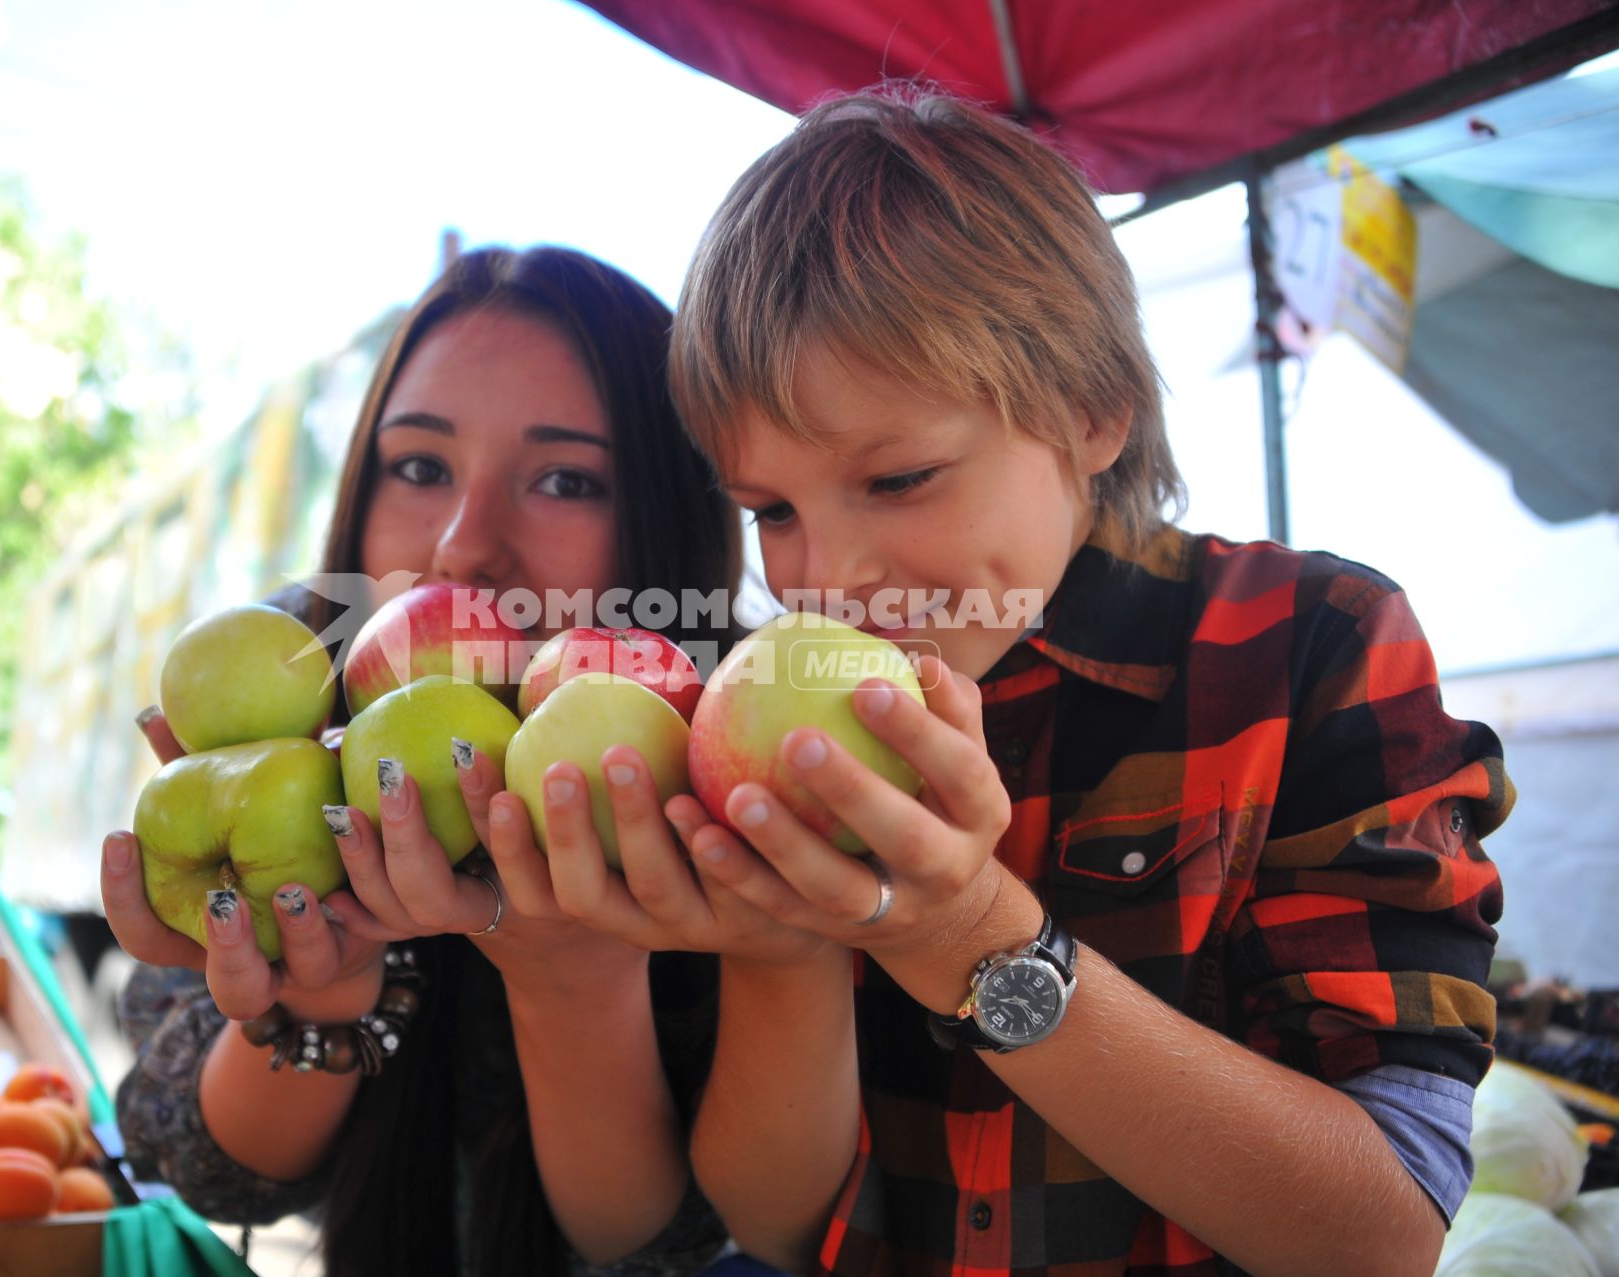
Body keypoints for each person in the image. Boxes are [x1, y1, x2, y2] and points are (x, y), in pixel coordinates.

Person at [518, 88, 1508, 1277]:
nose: (825, 579)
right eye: (770, 510)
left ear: (1094, 411)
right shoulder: (750, 714)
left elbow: (1382, 1227)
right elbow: (779, 1226)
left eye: (899, 478)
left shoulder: (1311, 647)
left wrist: (967, 934)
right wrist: (784, 953)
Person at [100, 245, 744, 1277]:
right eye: (420, 465)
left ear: (666, 518)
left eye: (567, 479)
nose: (461, 544)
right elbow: (213, 1172)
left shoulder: (727, 766)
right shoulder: (294, 692)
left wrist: (574, 977)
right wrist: (320, 987)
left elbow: (655, 1247)